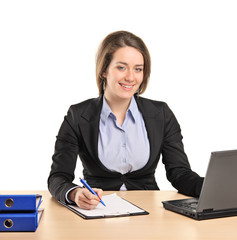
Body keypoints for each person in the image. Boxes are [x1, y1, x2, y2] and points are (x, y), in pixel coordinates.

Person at [48, 30, 204, 210]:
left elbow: (180, 173)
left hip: (149, 212)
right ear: (104, 70)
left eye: (138, 69)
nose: (131, 77)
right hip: (98, 211)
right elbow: (58, 177)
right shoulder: (78, 115)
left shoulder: (161, 114)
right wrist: (75, 193)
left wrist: (211, 187)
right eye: (121, 67)